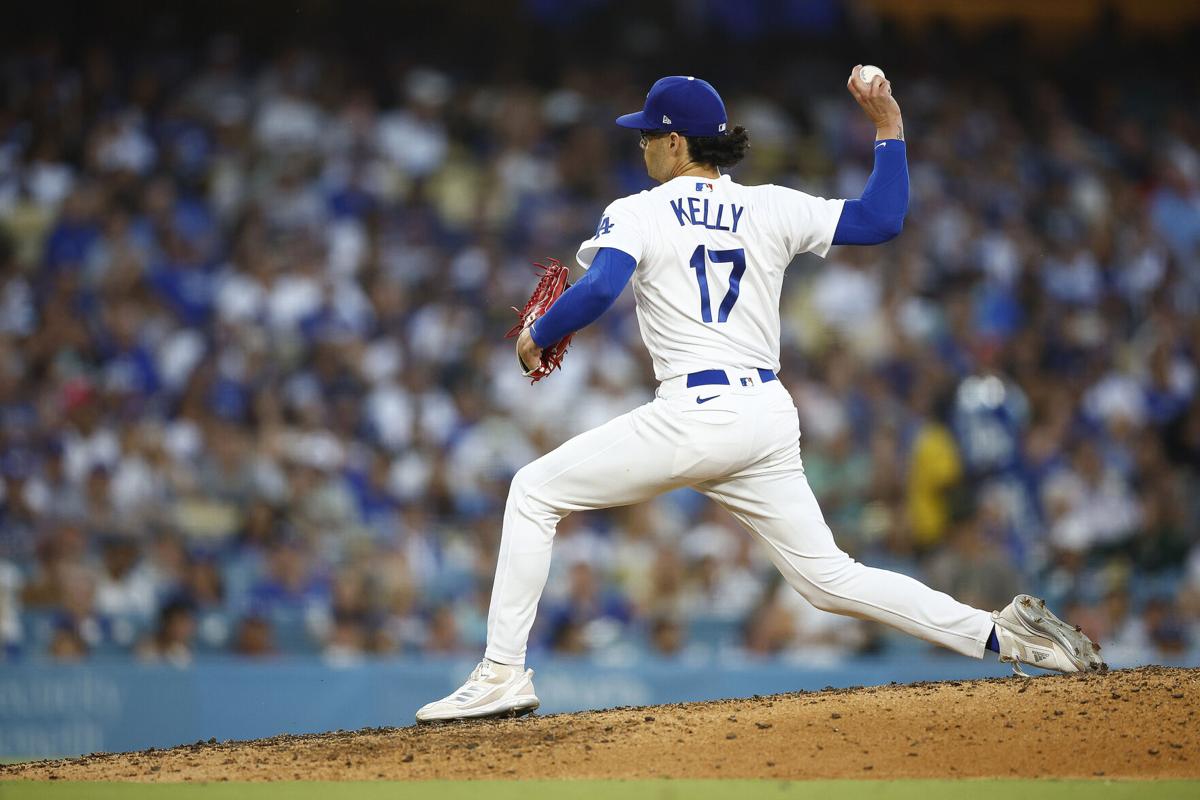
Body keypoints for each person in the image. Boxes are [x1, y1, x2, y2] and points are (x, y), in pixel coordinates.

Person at [416, 70, 1104, 722]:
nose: (642, 145)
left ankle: (503, 672)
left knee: (535, 491)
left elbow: (597, 290)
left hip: (696, 413)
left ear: (676, 142)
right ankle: (1003, 634)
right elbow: (882, 218)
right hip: (766, 417)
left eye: (648, 135)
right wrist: (889, 124)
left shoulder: (638, 210)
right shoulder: (769, 205)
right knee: (829, 579)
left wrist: (538, 331)